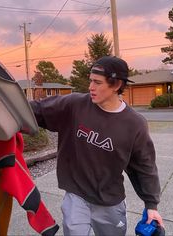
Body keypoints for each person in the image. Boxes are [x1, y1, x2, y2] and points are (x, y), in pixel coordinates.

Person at [30, 56, 164, 235]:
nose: (90, 87)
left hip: (110, 201)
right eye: (90, 80)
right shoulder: (74, 105)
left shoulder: (134, 124)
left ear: (116, 85)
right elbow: (35, 109)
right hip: (76, 196)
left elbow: (145, 166)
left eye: (97, 82)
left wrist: (151, 205)